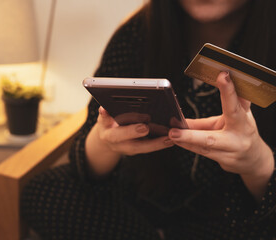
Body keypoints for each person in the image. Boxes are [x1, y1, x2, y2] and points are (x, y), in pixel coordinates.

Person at [22, 0, 276, 239]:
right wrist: (105, 142)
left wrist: (257, 164)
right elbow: (86, 166)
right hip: (142, 212)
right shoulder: (138, 33)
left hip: (235, 221)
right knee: (45, 191)